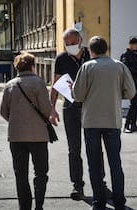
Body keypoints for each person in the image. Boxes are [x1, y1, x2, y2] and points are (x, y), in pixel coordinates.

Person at [73, 36, 136, 210]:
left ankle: (98, 202)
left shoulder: (87, 67)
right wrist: (116, 94)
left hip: (91, 121)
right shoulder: (119, 66)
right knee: (115, 162)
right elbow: (131, 92)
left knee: (94, 163)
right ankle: (120, 202)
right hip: (112, 120)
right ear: (106, 49)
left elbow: (78, 95)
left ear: (91, 51)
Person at [0, 52, 52, 210]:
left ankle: (25, 207)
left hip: (16, 137)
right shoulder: (39, 83)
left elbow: (3, 111)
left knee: (21, 175)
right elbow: (46, 109)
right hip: (38, 137)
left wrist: (16, 121)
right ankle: (39, 206)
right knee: (41, 172)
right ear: (32, 66)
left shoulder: (10, 85)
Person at [49, 28, 90, 200]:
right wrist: (52, 108)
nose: (69, 46)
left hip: (90, 107)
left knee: (94, 147)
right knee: (74, 149)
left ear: (80, 40)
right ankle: (77, 186)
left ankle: (100, 183)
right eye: (67, 44)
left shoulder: (91, 55)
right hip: (71, 108)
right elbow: (56, 84)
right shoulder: (62, 58)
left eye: (72, 43)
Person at [120, 38, 137, 133]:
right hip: (130, 83)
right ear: (131, 45)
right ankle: (127, 125)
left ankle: (133, 125)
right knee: (133, 105)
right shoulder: (125, 55)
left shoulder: (134, 55)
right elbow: (125, 68)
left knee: (135, 105)